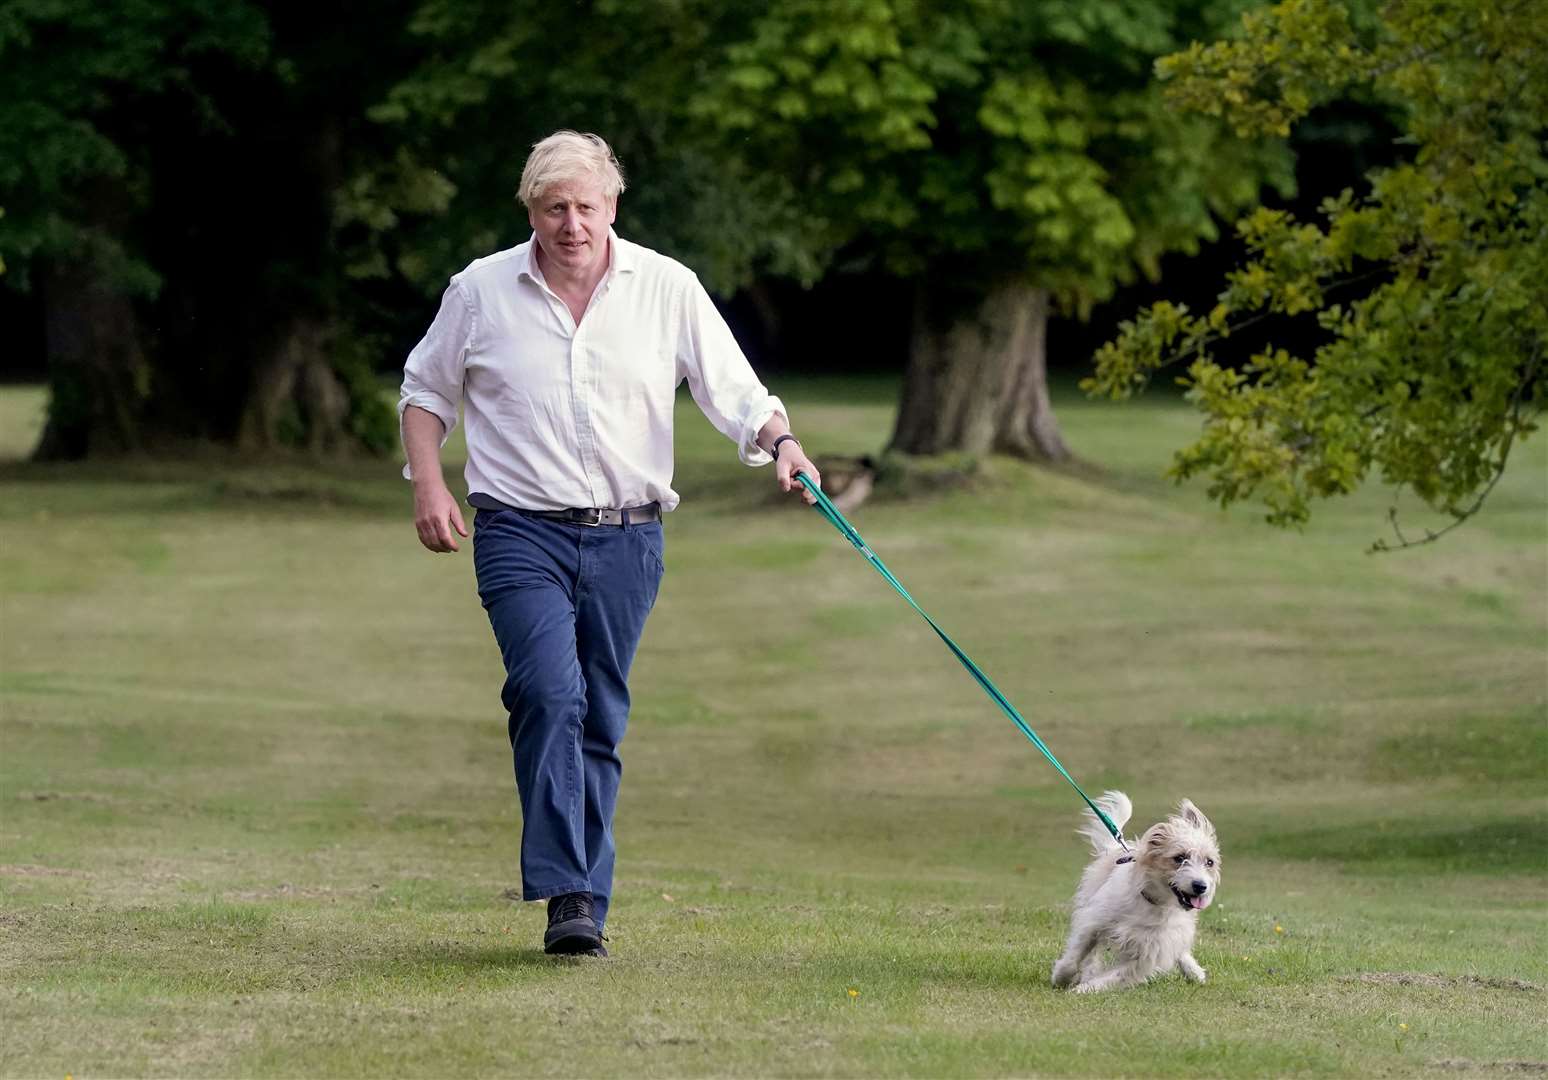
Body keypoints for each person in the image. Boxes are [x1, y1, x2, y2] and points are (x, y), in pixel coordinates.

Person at [398, 130, 820, 957]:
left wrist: (783, 443)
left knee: (600, 715)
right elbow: (424, 390)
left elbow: (733, 388)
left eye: (586, 206)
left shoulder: (666, 287)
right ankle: (570, 889)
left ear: (612, 207)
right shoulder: (481, 292)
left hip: (630, 539)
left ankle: (583, 894)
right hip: (519, 530)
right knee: (548, 693)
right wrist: (428, 481)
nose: (571, 224)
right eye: (554, 208)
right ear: (532, 211)